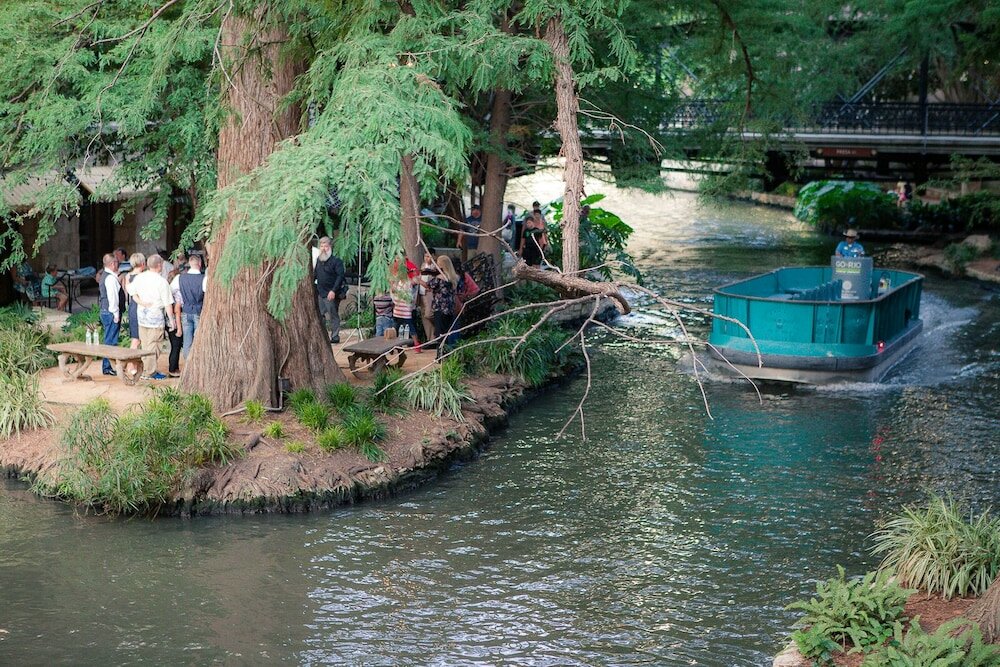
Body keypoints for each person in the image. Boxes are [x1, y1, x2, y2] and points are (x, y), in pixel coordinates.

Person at [127, 254, 175, 381]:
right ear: (159, 265)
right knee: (155, 345)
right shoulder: (161, 281)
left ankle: (145, 369)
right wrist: (172, 320)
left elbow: (132, 293)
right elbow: (168, 304)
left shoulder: (139, 277)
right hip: (155, 318)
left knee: (145, 345)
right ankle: (149, 372)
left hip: (142, 316)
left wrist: (142, 303)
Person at [314, 236, 345, 344]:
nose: (323, 248)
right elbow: (315, 274)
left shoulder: (336, 261)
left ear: (330, 247)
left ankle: (335, 336)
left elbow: (340, 277)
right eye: (321, 246)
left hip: (331, 293)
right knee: (320, 315)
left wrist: (333, 291)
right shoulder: (319, 260)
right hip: (320, 292)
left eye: (326, 246)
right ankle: (322, 336)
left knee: (333, 315)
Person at [98, 253, 125, 376]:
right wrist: (116, 314)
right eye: (117, 262)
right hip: (110, 312)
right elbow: (113, 298)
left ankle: (108, 366)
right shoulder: (110, 278)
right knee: (111, 340)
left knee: (109, 338)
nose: (118, 265)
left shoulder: (106, 276)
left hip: (106, 310)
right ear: (112, 264)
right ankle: (108, 367)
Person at [174, 253, 205, 359]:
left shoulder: (180, 278)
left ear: (189, 263)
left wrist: (180, 299)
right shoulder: (204, 278)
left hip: (186, 310)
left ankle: (187, 362)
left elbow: (171, 290)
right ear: (200, 263)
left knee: (187, 340)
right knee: (199, 340)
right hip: (199, 311)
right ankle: (197, 361)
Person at [428, 255, 459, 358]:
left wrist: (419, 280)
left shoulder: (439, 278)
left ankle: (440, 356)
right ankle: (446, 354)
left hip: (440, 309)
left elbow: (429, 285)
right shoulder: (454, 277)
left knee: (439, 333)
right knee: (446, 332)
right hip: (450, 309)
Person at [390, 263, 418, 348]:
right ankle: (394, 346)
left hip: (405, 310)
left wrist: (414, 273)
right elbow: (393, 291)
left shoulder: (409, 282)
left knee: (410, 328)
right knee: (395, 328)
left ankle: (416, 345)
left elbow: (415, 282)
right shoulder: (398, 283)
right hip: (398, 310)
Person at [124, 253, 146, 349]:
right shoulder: (143, 276)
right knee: (137, 339)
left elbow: (127, 293)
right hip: (141, 305)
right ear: (142, 263)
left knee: (135, 337)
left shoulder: (128, 276)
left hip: (132, 306)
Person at [417, 251, 437, 345]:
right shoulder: (422, 266)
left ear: (433, 256)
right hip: (421, 294)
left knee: (429, 314)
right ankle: (431, 339)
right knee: (424, 316)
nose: (427, 258)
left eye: (429, 256)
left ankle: (437, 333)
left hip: (429, 294)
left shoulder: (435, 267)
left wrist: (420, 281)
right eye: (425, 256)